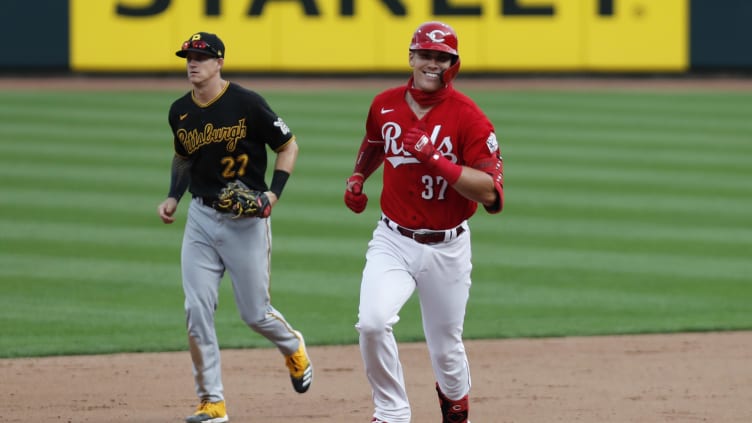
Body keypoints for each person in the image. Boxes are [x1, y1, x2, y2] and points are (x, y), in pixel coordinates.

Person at [343, 21, 504, 423]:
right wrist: (359, 175)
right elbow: (375, 141)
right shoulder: (383, 103)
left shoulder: (470, 118)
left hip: (447, 246)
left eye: (441, 57)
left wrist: (437, 161)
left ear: (454, 64)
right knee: (373, 323)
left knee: (446, 347)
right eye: (425, 54)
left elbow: (489, 192)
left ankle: (455, 405)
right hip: (393, 238)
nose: (432, 63)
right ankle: (391, 413)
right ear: (411, 56)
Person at [157, 31, 313, 423]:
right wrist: (175, 196)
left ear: (219, 62)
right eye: (188, 56)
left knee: (255, 314)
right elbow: (183, 159)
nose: (193, 63)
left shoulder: (247, 103)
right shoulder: (180, 110)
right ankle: (213, 403)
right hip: (201, 220)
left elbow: (288, 146)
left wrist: (273, 195)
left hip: (247, 223)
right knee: (196, 309)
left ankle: (292, 344)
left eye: (201, 56)